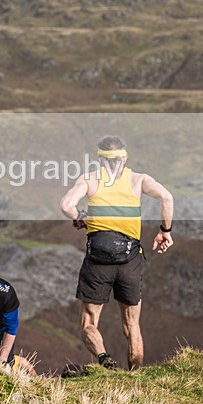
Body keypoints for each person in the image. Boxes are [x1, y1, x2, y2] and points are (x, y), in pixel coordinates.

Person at [60, 135, 174, 370]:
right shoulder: (138, 180)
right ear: (125, 157)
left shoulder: (90, 180)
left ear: (100, 159)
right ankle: (135, 376)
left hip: (98, 259)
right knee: (132, 325)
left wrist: (79, 217)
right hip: (129, 260)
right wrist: (165, 230)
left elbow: (65, 205)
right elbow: (167, 196)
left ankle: (104, 358)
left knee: (89, 323)